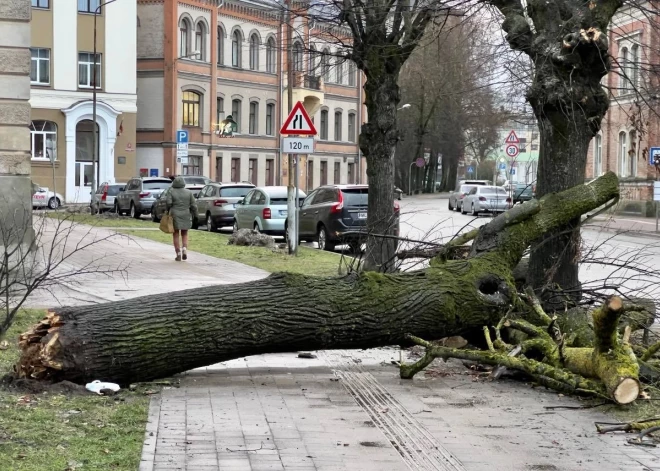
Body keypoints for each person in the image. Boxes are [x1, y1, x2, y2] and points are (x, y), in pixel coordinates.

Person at [166, 176, 197, 261]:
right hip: (186, 214)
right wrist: (196, 215)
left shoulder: (171, 192)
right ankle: (184, 249)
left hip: (175, 214)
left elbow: (168, 203)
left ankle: (178, 253)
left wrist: (167, 210)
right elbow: (194, 205)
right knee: (185, 233)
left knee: (175, 234)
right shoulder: (189, 192)